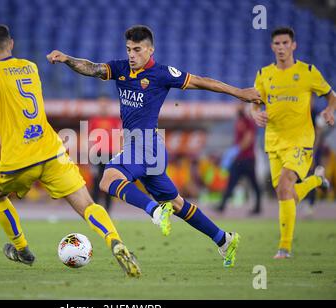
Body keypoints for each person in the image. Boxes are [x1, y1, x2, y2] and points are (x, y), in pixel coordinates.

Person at [47, 25, 262, 268]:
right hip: (148, 151)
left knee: (107, 179)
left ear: (150, 49)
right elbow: (92, 68)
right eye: (128, 49)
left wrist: (239, 92)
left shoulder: (162, 74)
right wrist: (67, 59)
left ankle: (154, 211)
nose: (131, 54)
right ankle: (224, 239)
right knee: (178, 204)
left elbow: (202, 82)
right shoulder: (120, 69)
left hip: (146, 145)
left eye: (137, 49)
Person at [0, 24, 141, 277]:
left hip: (19, 158)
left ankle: (22, 249)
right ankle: (114, 240)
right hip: (52, 151)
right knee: (86, 204)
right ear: (12, 43)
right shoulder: (31, 67)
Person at [251, 27, 335, 259]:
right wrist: (255, 113)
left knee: (286, 185)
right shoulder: (264, 74)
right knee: (284, 194)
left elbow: (331, 95)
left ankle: (284, 248)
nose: (281, 48)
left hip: (301, 141)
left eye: (285, 43)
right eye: (277, 44)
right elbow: (254, 103)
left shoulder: (307, 72)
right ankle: (317, 179)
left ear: (293, 45)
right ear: (272, 47)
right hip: (273, 141)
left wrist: (329, 109)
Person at [217, 103, 262, 215]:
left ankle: (257, 207)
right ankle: (222, 205)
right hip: (241, 158)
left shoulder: (248, 121)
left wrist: (237, 149)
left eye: (240, 105)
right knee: (237, 182)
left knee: (251, 183)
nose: (237, 107)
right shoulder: (239, 121)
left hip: (246, 158)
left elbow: (249, 138)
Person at [88, 95, 121, 213]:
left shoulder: (115, 121)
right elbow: (90, 140)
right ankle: (96, 210)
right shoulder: (94, 121)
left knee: (109, 182)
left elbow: (119, 138)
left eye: (105, 105)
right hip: (97, 154)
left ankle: (107, 211)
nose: (103, 107)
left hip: (111, 154)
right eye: (101, 105)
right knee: (96, 182)